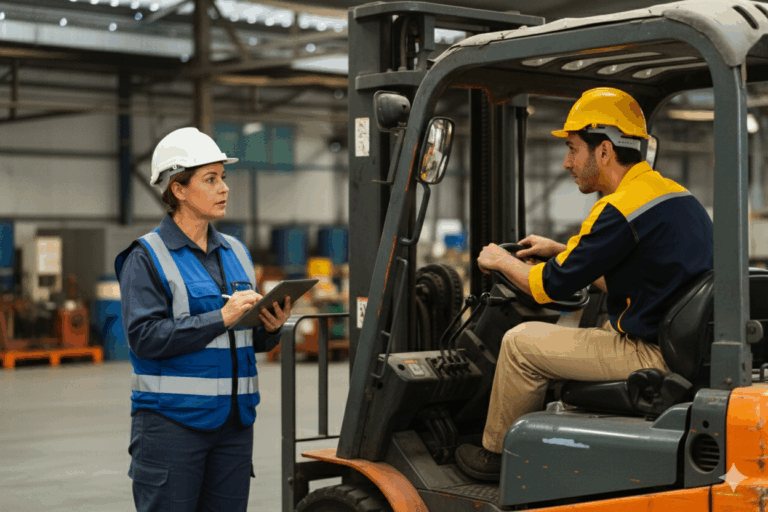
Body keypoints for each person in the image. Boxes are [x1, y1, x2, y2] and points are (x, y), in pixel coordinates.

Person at [454, 88, 714, 481]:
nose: (566, 162)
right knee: (587, 328)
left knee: (521, 343)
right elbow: (641, 274)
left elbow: (547, 287)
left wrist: (500, 260)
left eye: (573, 149)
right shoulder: (674, 196)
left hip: (652, 354)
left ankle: (496, 458)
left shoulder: (617, 210)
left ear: (604, 151)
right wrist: (561, 249)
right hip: (683, 346)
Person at [115, 127, 292, 511]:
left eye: (222, 178)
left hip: (234, 425)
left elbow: (242, 339)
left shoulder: (237, 252)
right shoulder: (146, 257)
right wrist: (221, 317)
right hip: (171, 425)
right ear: (178, 189)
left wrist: (269, 329)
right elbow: (144, 338)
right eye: (210, 179)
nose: (223, 188)